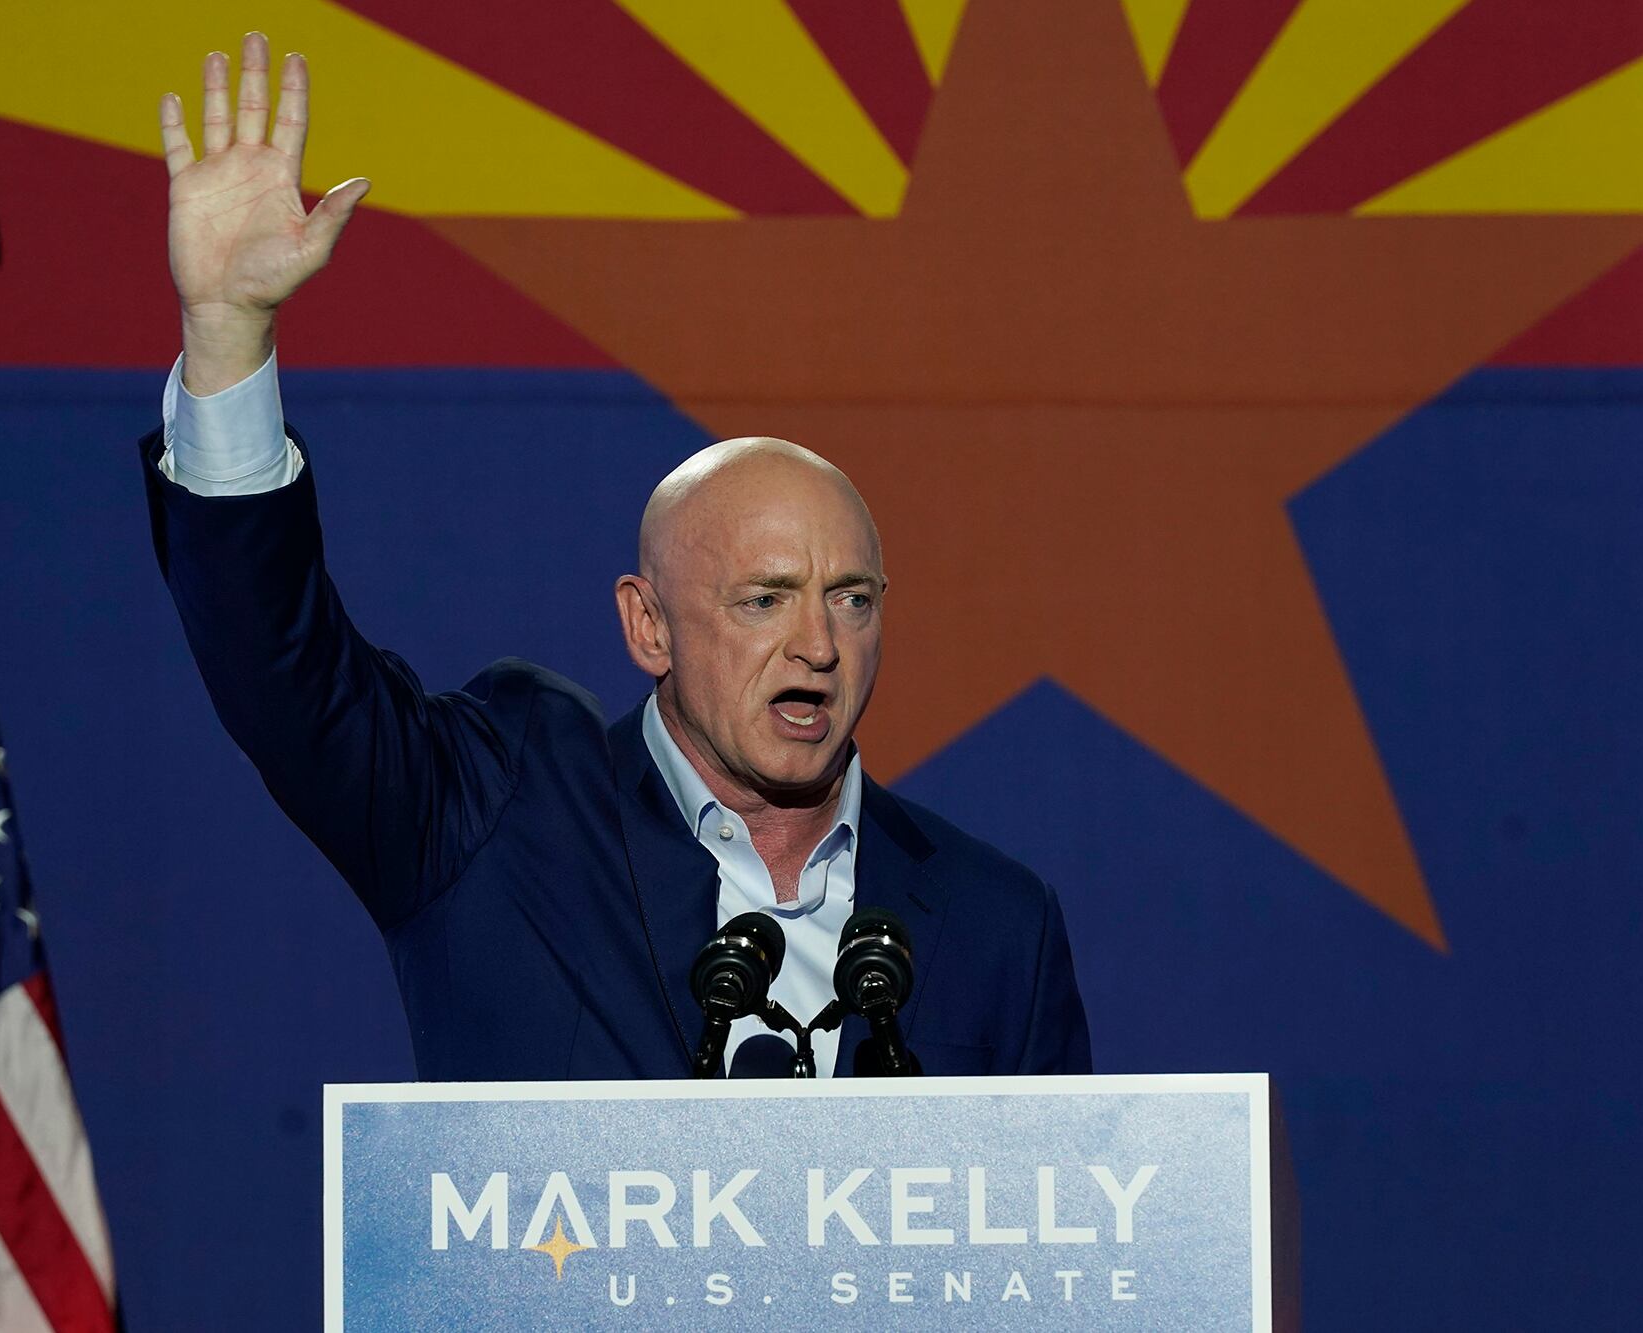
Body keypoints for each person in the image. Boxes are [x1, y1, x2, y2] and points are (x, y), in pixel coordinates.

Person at [142, 34, 1091, 1078]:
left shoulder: (996, 920)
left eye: (849, 598)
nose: (816, 644)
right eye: (764, 599)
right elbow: (283, 678)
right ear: (648, 624)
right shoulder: (497, 820)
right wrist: (227, 331)